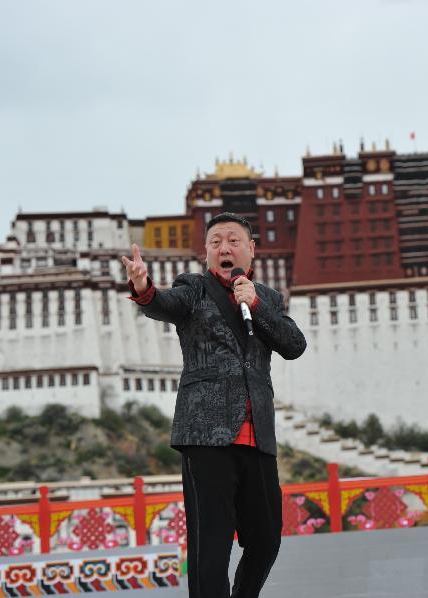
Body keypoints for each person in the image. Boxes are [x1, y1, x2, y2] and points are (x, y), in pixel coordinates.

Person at [121, 212, 307, 598]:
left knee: (266, 538)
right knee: (212, 544)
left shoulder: (266, 297)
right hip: (205, 433)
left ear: (250, 250)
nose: (224, 248)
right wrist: (143, 286)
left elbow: (294, 345)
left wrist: (256, 304)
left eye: (233, 240)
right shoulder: (193, 288)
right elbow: (164, 304)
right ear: (206, 252)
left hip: (257, 435)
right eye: (216, 241)